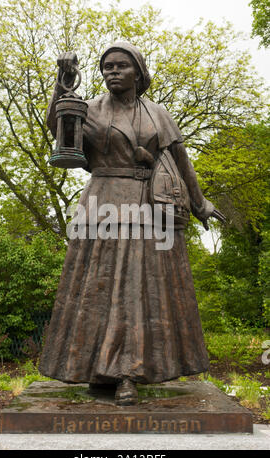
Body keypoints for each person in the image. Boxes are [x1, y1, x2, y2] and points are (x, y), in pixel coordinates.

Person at [39, 42, 225, 405]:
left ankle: (128, 372)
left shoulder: (157, 113)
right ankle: (96, 369)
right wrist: (63, 84)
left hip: (148, 207)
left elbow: (180, 159)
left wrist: (200, 204)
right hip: (102, 202)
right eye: (107, 66)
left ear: (138, 73)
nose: (111, 72)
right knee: (97, 289)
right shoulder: (90, 108)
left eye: (120, 66)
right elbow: (59, 126)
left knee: (139, 291)